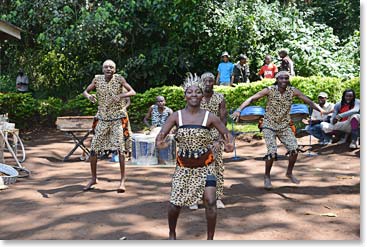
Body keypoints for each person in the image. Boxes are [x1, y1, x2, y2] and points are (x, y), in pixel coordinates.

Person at [156, 73, 234, 240]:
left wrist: (229, 144)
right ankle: (172, 234)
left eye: (197, 92)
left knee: (211, 202)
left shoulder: (209, 116)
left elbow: (227, 134)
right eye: (190, 92)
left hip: (206, 165)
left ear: (201, 96)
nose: (194, 95)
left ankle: (210, 239)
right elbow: (161, 135)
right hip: (184, 166)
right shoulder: (176, 116)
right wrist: (161, 142)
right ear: (185, 95)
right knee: (175, 204)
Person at [232, 71, 325, 189]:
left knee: (294, 149)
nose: (284, 81)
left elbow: (307, 100)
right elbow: (252, 98)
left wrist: (320, 109)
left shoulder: (292, 91)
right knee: (271, 153)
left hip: (284, 125)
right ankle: (267, 177)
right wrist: (239, 110)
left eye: (286, 78)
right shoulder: (270, 90)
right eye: (281, 78)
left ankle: (289, 173)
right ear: (277, 79)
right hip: (269, 125)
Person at [82, 59, 136, 193]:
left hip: (117, 118)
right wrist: (89, 96)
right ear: (102, 69)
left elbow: (132, 92)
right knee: (94, 148)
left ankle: (122, 181)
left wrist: (121, 95)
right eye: (106, 67)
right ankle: (93, 178)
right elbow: (85, 91)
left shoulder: (119, 79)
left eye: (111, 67)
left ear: (115, 69)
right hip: (102, 118)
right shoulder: (97, 80)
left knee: (120, 148)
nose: (108, 69)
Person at [188, 72, 227, 210]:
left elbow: (223, 118)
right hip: (198, 134)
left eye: (211, 81)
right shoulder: (196, 97)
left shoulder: (220, 97)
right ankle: (194, 198)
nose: (208, 84)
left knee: (217, 166)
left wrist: (221, 137)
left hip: (215, 135)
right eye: (206, 81)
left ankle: (217, 198)